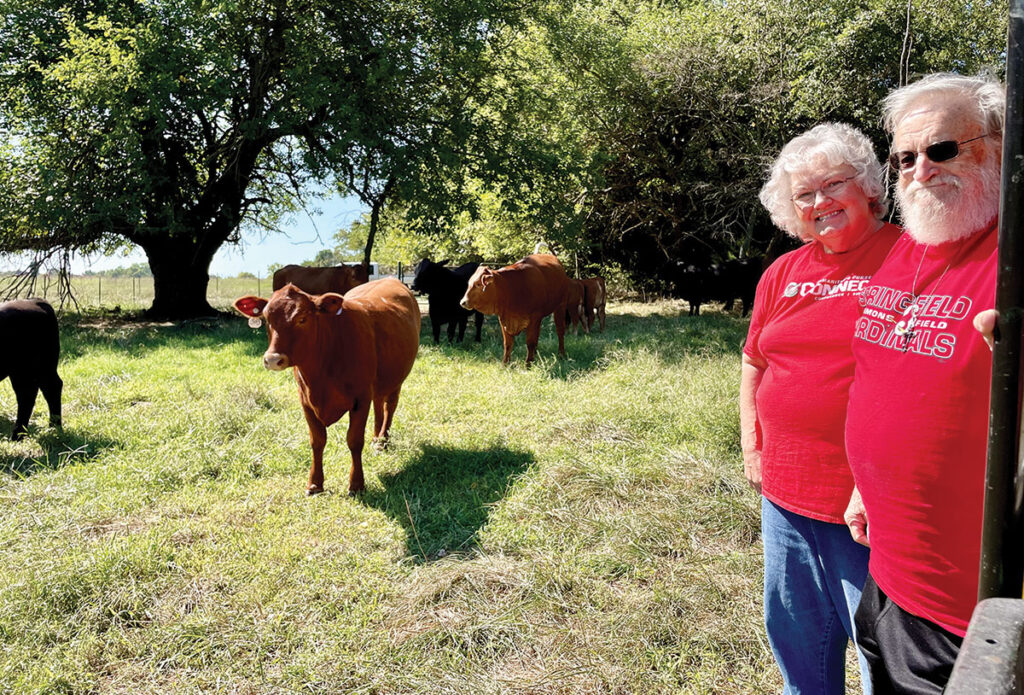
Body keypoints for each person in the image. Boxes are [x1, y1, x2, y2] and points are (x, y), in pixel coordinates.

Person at [843, 72, 1004, 693]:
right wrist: (863, 485)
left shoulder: (1012, 260)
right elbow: (876, 372)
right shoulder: (908, 248)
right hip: (885, 574)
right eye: (904, 158)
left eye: (941, 150)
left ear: (998, 146)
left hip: (969, 611)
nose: (919, 172)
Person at [742, 122, 900, 694]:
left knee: (879, 653)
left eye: (833, 185)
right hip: (785, 496)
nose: (819, 203)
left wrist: (878, 482)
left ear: (869, 188)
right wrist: (752, 446)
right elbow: (755, 360)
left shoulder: (913, 258)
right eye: (803, 194)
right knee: (796, 639)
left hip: (869, 506)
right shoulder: (782, 272)